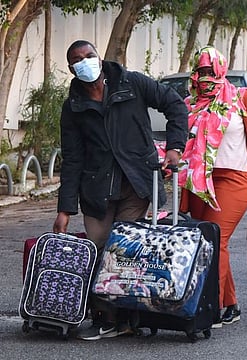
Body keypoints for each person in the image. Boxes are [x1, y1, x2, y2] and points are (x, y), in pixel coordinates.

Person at [52, 40, 188, 340]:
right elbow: (72, 159)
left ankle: (119, 318)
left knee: (123, 251)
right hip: (96, 189)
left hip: (136, 182)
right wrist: (64, 209)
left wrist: (175, 148)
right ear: (71, 68)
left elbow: (175, 105)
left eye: (89, 55)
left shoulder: (132, 82)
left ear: (98, 57)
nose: (84, 61)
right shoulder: (73, 105)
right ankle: (106, 315)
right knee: (99, 248)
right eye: (77, 59)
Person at [178, 46, 247, 328]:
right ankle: (231, 304)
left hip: (234, 181)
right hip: (200, 183)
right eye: (201, 71)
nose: (205, 77)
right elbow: (181, 143)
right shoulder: (190, 103)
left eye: (210, 71)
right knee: (206, 243)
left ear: (221, 70)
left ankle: (208, 305)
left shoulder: (241, 98)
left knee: (216, 240)